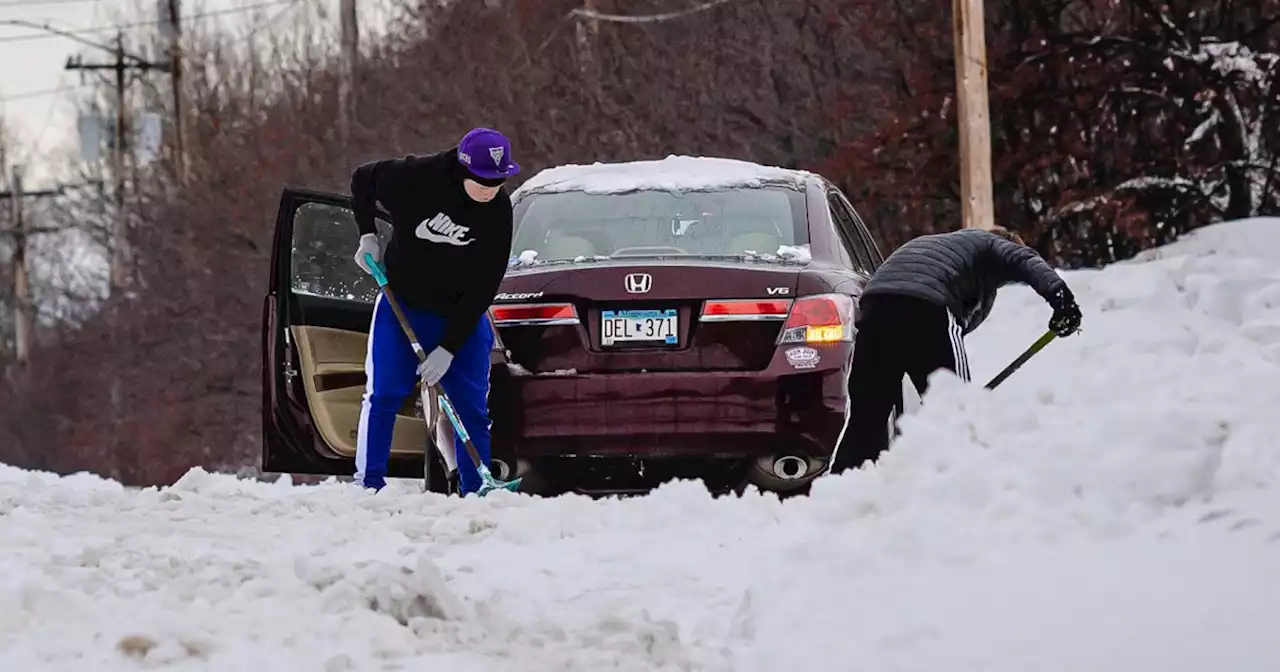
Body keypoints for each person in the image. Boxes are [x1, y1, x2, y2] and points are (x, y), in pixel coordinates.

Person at [828, 226, 1082, 475]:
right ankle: (959, 482)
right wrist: (1062, 300)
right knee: (955, 411)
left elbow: (961, 323)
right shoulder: (988, 242)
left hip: (874, 307)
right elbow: (1024, 258)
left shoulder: (939, 246)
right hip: (925, 308)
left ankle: (844, 493)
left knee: (867, 417)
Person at [348, 128, 520, 494]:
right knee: (384, 394)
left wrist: (449, 348)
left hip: (463, 314)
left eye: (500, 180)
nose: (491, 189)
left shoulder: (498, 211)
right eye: (484, 181)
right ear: (462, 170)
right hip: (403, 307)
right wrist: (366, 235)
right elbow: (362, 179)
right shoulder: (415, 178)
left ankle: (476, 491)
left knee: (470, 405)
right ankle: (369, 485)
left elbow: (485, 286)